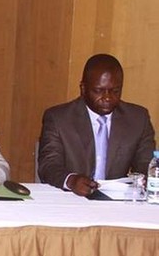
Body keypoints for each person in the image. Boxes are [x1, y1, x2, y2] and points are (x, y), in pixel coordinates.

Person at [38, 53, 155, 196]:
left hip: (119, 203)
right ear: (83, 88)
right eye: (98, 91)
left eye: (115, 91)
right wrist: (71, 180)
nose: (107, 97)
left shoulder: (137, 119)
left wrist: (145, 179)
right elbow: (48, 166)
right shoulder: (59, 119)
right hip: (70, 199)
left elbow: (147, 164)